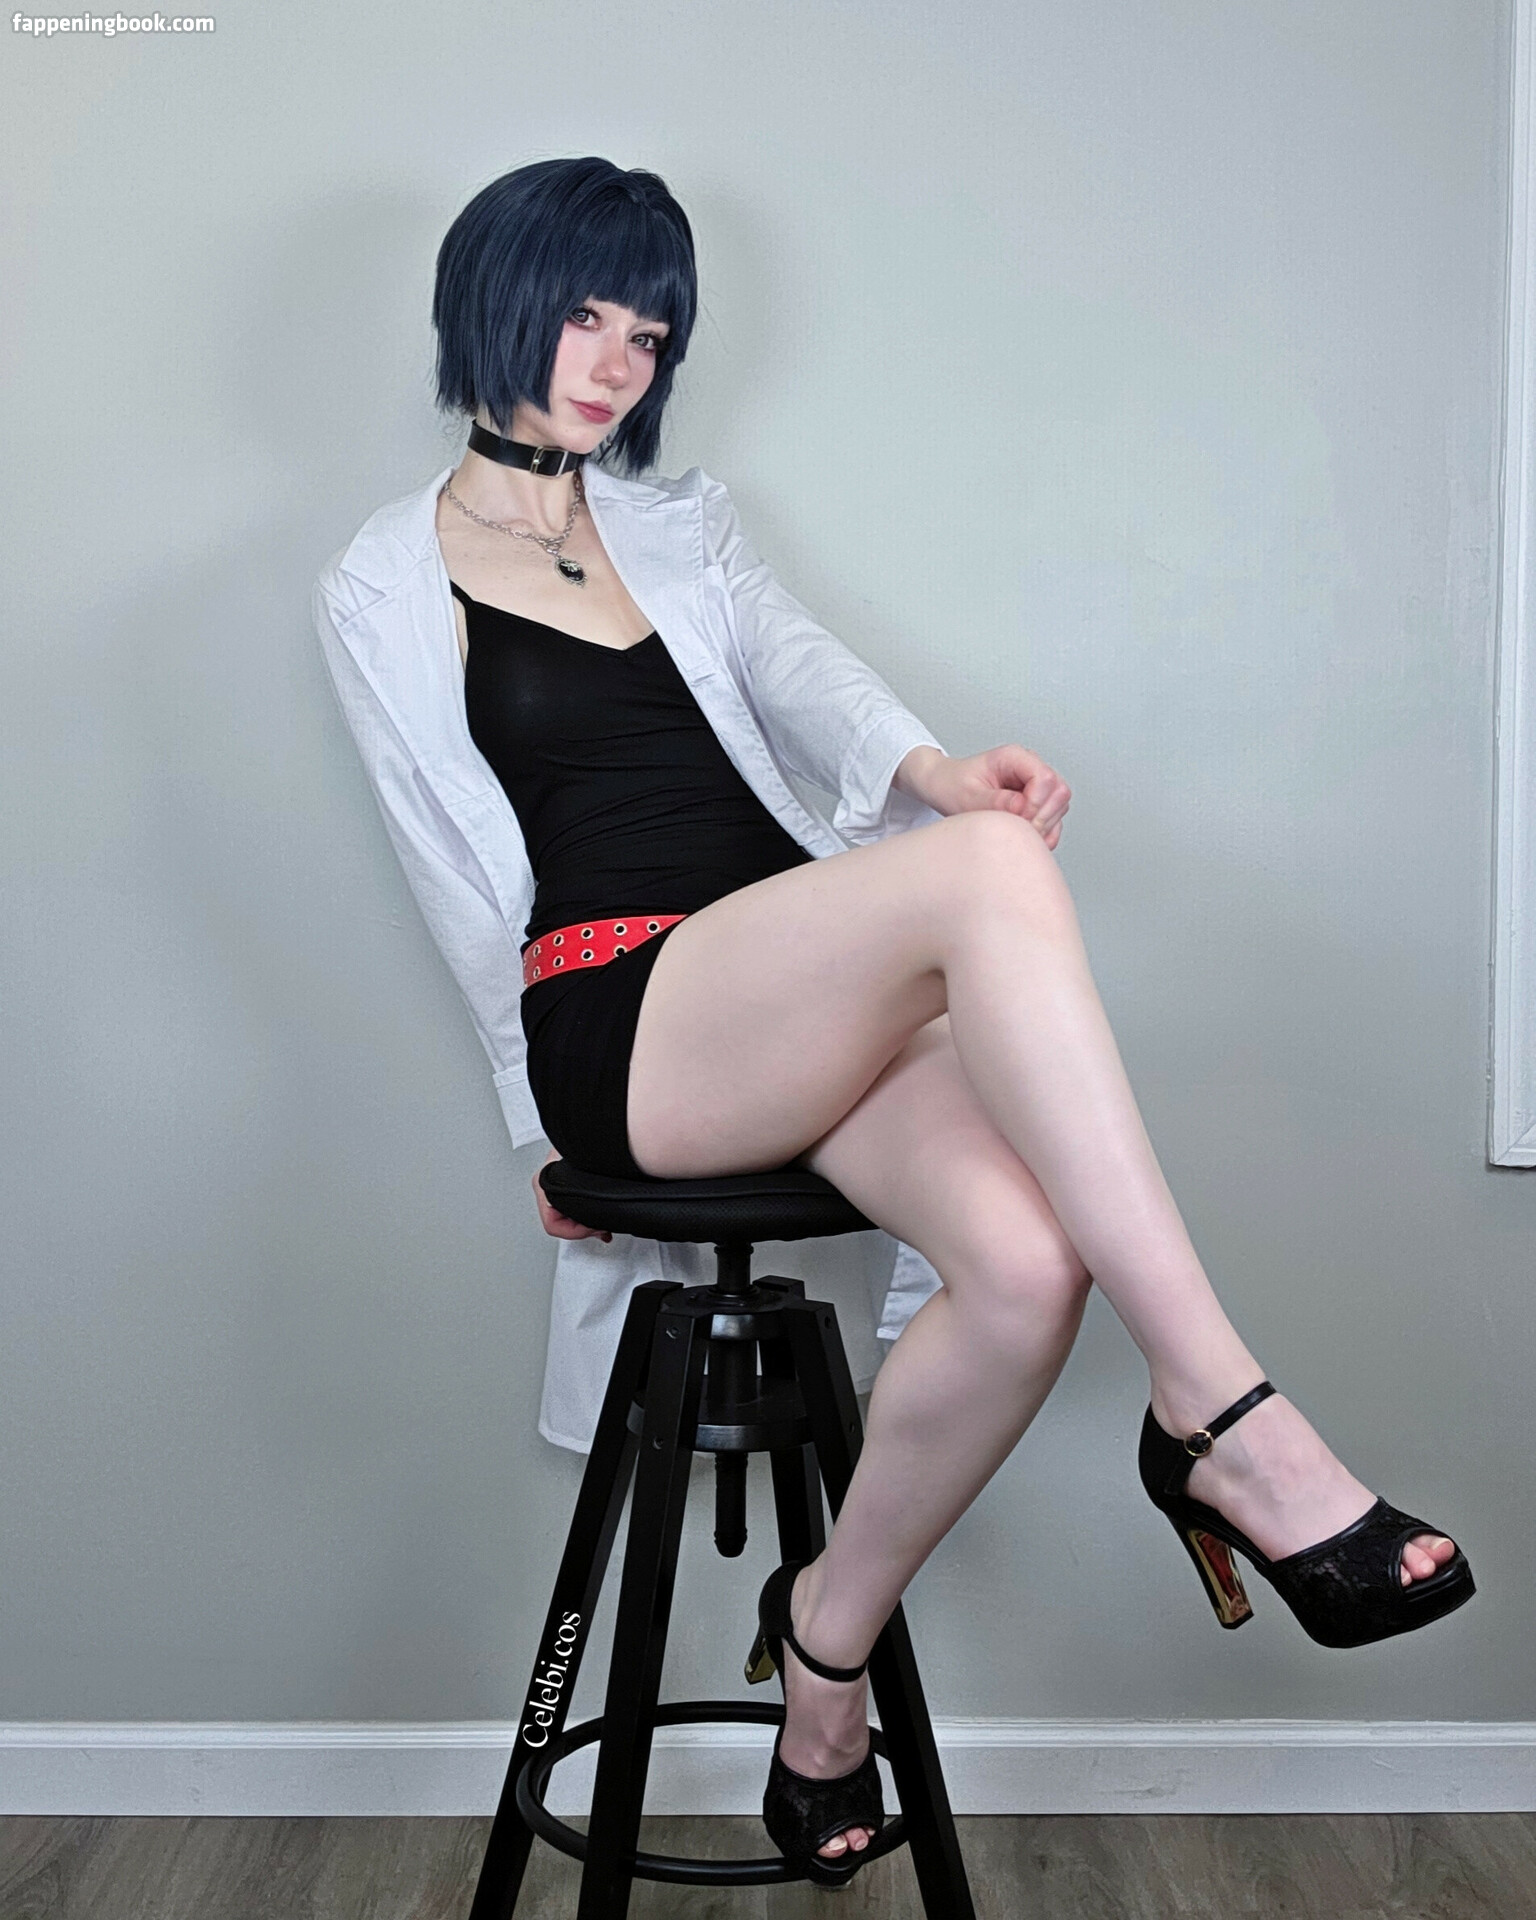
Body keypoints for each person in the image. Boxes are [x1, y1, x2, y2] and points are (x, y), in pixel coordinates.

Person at [318, 155, 1474, 1884]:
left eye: (650, 335)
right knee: (988, 874)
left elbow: (802, 668)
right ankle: (1226, 1419)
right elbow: (449, 868)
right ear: (497, 298)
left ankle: (825, 1649)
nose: (618, 362)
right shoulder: (382, 580)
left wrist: (932, 772)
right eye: (586, 315)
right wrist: (539, 1128)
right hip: (625, 1014)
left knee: (1026, 1268)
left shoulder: (681, 523)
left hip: (789, 986)